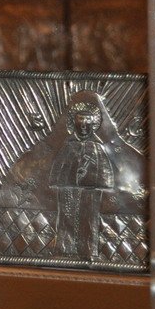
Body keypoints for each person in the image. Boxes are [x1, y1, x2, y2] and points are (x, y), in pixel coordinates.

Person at [48, 97, 114, 258]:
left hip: (90, 193)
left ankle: (88, 250)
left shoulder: (97, 148)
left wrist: (90, 178)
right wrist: (71, 176)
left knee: (89, 220)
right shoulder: (68, 145)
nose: (84, 125)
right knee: (66, 218)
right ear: (74, 123)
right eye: (80, 121)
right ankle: (65, 249)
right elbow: (59, 169)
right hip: (68, 191)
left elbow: (104, 172)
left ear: (93, 125)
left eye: (87, 122)